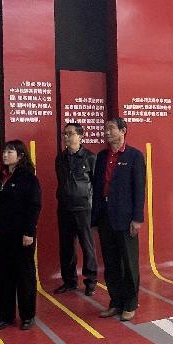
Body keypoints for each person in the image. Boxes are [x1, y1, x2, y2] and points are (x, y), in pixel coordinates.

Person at [91, 117, 145, 321]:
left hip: (126, 217)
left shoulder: (134, 156)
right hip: (105, 216)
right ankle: (115, 301)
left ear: (123, 131)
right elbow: (96, 189)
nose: (107, 132)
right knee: (111, 262)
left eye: (111, 129)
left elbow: (139, 189)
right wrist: (95, 218)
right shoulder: (101, 156)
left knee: (129, 263)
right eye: (105, 129)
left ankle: (130, 303)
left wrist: (137, 218)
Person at [0, 140, 42, 331]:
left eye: (10, 152)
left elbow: (34, 206)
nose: (5, 155)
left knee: (24, 275)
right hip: (1, 235)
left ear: (21, 155)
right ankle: (5, 316)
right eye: (4, 151)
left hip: (21, 235)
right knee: (4, 275)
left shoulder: (28, 178)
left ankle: (27, 315)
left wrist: (29, 232)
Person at [54, 123, 98, 296]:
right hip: (65, 207)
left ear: (80, 136)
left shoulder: (90, 157)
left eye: (70, 133)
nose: (66, 137)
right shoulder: (60, 158)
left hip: (84, 208)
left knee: (87, 245)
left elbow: (95, 184)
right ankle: (69, 281)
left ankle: (91, 281)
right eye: (64, 134)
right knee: (66, 246)